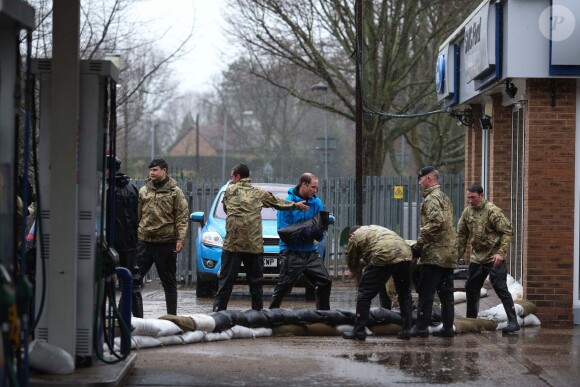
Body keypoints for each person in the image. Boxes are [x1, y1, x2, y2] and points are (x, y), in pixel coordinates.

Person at [213, 163, 309, 312]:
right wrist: (295, 205)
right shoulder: (258, 192)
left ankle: (218, 314)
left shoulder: (229, 190)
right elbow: (277, 203)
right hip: (254, 246)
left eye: (232, 177)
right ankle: (257, 317)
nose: (231, 180)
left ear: (238, 176)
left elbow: (226, 209)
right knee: (255, 284)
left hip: (233, 246)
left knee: (225, 283)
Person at [457, 183, 519, 333]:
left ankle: (513, 321)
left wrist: (501, 253)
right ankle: (472, 321)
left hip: (494, 256)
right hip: (478, 257)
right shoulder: (467, 213)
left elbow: (507, 231)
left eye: (473, 197)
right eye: (468, 198)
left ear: (481, 195)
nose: (470, 201)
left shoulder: (492, 211)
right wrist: (455, 257)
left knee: (500, 287)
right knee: (471, 287)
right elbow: (462, 236)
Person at [269, 173, 333, 310]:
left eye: (316, 188)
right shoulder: (288, 203)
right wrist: (309, 232)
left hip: (310, 252)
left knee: (325, 282)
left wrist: (320, 230)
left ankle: (323, 315)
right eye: (313, 187)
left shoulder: (317, 203)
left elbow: (320, 225)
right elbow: (284, 231)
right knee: (284, 286)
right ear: (303, 184)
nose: (315, 191)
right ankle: (271, 313)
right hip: (291, 252)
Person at [343, 225, 414, 341]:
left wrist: (354, 271)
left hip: (383, 255)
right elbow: (372, 252)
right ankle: (407, 330)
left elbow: (352, 261)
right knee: (404, 294)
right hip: (405, 254)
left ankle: (359, 331)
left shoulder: (354, 237)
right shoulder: (375, 230)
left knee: (364, 294)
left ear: (350, 235)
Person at [138, 158, 189, 316]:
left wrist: (180, 239)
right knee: (133, 280)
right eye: (150, 170)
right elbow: (137, 215)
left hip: (165, 243)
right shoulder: (144, 191)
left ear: (164, 170)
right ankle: (134, 317)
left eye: (155, 170)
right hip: (145, 242)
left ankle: (171, 317)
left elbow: (182, 217)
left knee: (168, 282)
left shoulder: (175, 192)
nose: (152, 173)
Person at [410, 166, 457, 338]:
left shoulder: (431, 199)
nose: (419, 182)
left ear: (429, 179)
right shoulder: (444, 197)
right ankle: (447, 328)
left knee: (426, 292)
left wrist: (419, 245)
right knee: (446, 294)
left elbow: (436, 223)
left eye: (421, 179)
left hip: (435, 255)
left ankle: (421, 328)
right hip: (448, 254)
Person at [106, 155, 143, 318]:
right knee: (131, 282)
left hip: (110, 241)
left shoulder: (106, 188)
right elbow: (138, 214)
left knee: (105, 279)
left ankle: (105, 316)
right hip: (130, 241)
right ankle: (137, 318)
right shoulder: (132, 187)